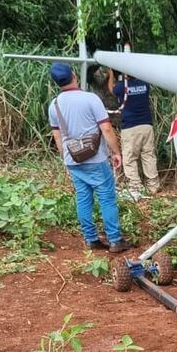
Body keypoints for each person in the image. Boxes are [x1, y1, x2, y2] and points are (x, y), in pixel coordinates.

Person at [48, 62, 133, 253]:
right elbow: (106, 128)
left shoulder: (54, 105)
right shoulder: (90, 99)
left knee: (83, 198)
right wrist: (116, 152)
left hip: (73, 159)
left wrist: (66, 158)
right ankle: (115, 239)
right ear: (74, 75)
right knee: (106, 198)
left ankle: (90, 239)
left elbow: (57, 136)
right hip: (95, 158)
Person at [108, 67, 160, 200]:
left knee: (130, 158)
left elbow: (111, 89)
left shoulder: (120, 87)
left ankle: (135, 187)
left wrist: (110, 74)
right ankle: (153, 186)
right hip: (146, 125)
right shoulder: (145, 84)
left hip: (130, 128)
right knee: (148, 155)